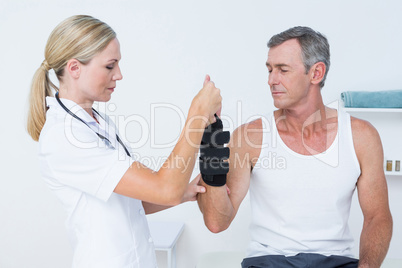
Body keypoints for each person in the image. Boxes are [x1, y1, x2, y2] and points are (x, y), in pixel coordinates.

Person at [26, 15, 222, 267]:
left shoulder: (96, 121)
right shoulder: (65, 136)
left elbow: (131, 200)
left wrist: (184, 192)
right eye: (110, 66)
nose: (119, 75)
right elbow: (164, 188)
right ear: (74, 68)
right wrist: (197, 113)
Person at [197, 26, 393, 268]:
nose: (271, 80)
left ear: (316, 73)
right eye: (269, 70)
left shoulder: (361, 136)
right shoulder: (251, 137)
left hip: (337, 262)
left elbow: (378, 217)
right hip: (269, 262)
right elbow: (218, 222)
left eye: (283, 70)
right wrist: (211, 141)